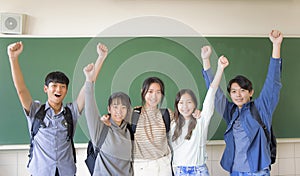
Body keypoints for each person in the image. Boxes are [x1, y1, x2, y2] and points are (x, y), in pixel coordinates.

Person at [7, 41, 108, 176]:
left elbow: (88, 85)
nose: (58, 89)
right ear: (46, 89)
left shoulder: (71, 112)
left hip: (66, 171)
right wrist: (13, 58)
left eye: (62, 86)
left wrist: (101, 58)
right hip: (40, 171)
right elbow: (21, 89)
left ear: (66, 90)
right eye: (54, 85)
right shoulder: (35, 111)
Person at [201, 30, 283, 175]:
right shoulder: (231, 111)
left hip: (257, 171)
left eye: (242, 90)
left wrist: (276, 46)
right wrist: (206, 61)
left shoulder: (260, 108)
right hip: (235, 171)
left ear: (250, 92)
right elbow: (214, 94)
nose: (238, 95)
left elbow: (273, 83)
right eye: (233, 91)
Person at [171, 55, 229, 176]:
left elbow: (212, 90)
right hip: (179, 171)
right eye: (181, 103)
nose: (185, 106)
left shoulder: (201, 120)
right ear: (176, 105)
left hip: (199, 171)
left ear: (195, 104)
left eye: (189, 102)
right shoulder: (172, 124)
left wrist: (220, 69)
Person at [83, 63, 133, 175]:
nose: (119, 111)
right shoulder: (101, 129)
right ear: (109, 109)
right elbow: (89, 108)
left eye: (123, 107)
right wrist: (89, 81)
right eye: (115, 107)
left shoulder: (129, 131)